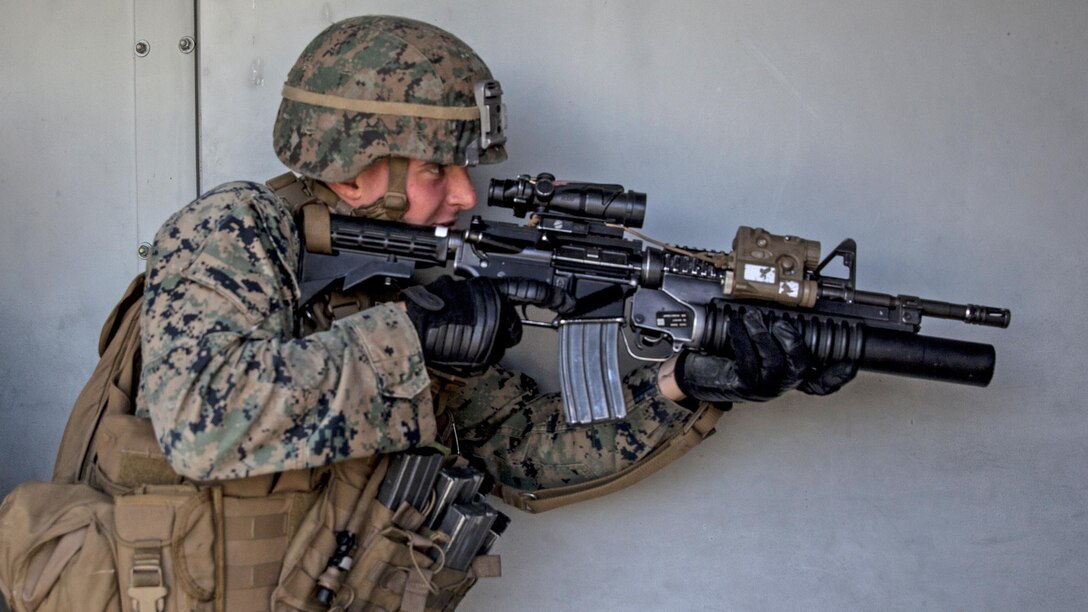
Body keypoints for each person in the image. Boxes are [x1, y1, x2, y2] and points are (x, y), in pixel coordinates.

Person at [140, 14, 856, 610]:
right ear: (355, 172)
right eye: (435, 171)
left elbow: (521, 453)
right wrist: (412, 336)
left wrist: (685, 385)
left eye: (467, 171)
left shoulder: (410, 276)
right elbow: (203, 419)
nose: (466, 196)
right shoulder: (233, 228)